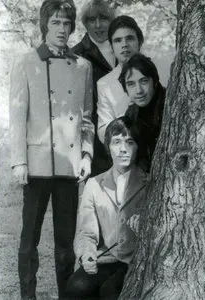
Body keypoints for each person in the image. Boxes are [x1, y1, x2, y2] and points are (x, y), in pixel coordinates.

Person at [9, 0, 95, 298]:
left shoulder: (83, 67)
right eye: (56, 22)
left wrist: (86, 154)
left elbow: (86, 119)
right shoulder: (25, 62)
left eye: (67, 23)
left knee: (65, 242)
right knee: (29, 239)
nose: (62, 28)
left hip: (69, 166)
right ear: (45, 24)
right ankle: (27, 295)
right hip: (36, 164)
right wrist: (19, 161)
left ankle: (65, 295)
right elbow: (18, 117)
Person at [67, 116, 148, 299]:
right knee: (75, 287)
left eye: (130, 142)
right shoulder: (95, 184)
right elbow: (86, 232)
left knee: (110, 292)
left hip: (136, 262)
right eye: (116, 142)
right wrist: (87, 255)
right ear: (108, 147)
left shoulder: (148, 183)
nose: (123, 149)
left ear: (137, 147)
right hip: (109, 258)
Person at [72, 0, 116, 175]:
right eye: (91, 20)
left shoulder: (123, 46)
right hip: (96, 144)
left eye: (103, 18)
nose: (98, 25)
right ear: (85, 23)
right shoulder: (76, 55)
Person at [96, 15, 144, 143]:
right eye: (118, 40)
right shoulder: (105, 83)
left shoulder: (155, 71)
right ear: (111, 47)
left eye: (130, 38)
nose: (124, 45)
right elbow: (102, 130)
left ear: (139, 42)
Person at [119, 53, 166, 172]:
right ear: (125, 89)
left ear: (154, 81)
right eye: (131, 84)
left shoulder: (170, 105)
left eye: (144, 81)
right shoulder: (131, 113)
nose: (138, 90)